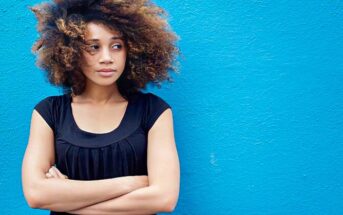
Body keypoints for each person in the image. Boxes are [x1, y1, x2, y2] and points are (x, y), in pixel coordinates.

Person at [21, 0, 180, 214]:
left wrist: (66, 197)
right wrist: (131, 183)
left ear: (130, 50)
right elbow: (36, 195)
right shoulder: (49, 112)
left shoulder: (153, 111)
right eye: (93, 47)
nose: (107, 58)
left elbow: (164, 199)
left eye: (116, 46)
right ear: (72, 51)